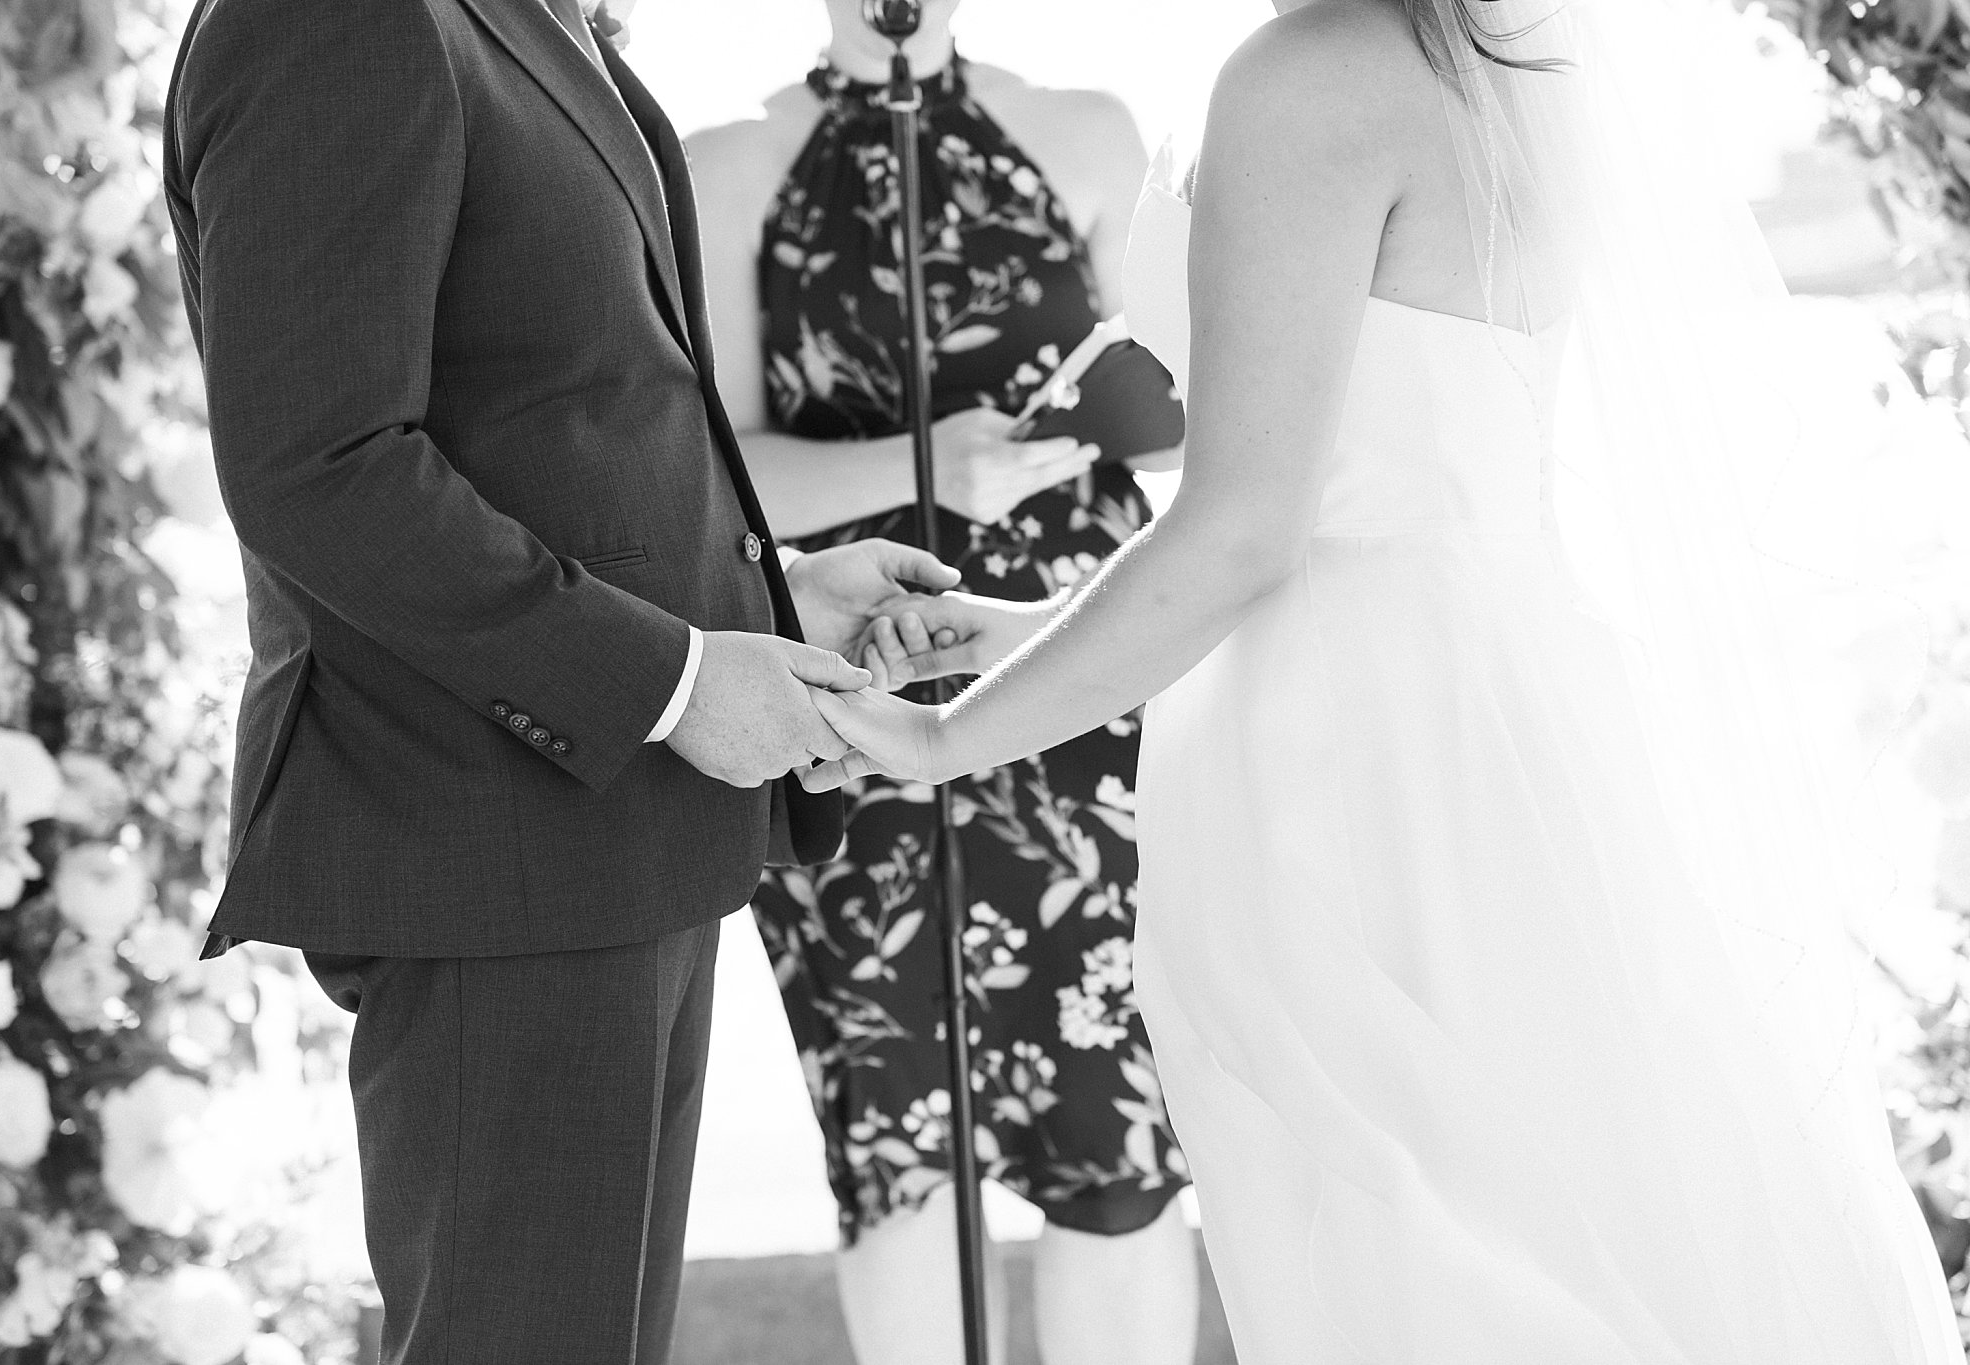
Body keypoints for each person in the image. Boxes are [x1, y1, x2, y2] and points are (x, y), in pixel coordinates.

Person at [810, 0, 1969, 1358]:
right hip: (1495, 711)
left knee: (1419, 1262)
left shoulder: (1309, 74)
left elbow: (1251, 530)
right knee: (1564, 1206)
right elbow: (1379, 485)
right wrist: (1013, 628)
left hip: (1349, 772)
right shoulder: (1494, 58)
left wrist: (943, 741)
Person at [162, 0, 963, 1360]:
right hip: (493, 844)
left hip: (612, 839)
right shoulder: (337, 19)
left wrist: (763, 600)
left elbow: (568, 410)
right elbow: (324, 466)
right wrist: (674, 681)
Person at [683, 5, 1197, 1363]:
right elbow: (714, 468)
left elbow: (1164, 410)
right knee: (895, 1135)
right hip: (859, 683)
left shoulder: (1091, 133)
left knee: (1119, 1131)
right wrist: (924, 469)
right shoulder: (726, 163)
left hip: (1078, 670)